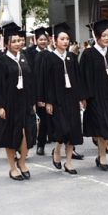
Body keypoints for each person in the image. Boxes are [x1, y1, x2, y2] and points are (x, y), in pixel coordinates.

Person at [0, 22, 36, 181]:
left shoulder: (25, 58)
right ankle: (13, 167)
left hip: (24, 103)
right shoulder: (1, 61)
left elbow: (31, 81)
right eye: (14, 41)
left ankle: (22, 162)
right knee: (11, 136)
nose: (18, 44)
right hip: (9, 104)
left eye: (20, 41)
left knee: (26, 134)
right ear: (7, 43)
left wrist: (32, 101)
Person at [80, 20, 108, 170]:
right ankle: (102, 157)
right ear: (96, 37)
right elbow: (82, 76)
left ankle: (100, 155)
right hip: (95, 96)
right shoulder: (88, 54)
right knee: (101, 124)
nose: (107, 38)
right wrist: (83, 96)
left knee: (106, 125)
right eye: (104, 35)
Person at [43, 22, 85, 175]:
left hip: (72, 98)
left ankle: (68, 162)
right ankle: (57, 150)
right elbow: (46, 81)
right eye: (62, 39)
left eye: (67, 39)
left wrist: (81, 97)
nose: (65, 42)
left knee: (73, 130)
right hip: (57, 99)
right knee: (62, 129)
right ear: (55, 40)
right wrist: (48, 101)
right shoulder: (49, 58)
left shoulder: (72, 58)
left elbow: (78, 79)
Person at [33, 27, 51, 156]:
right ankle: (40, 145)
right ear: (36, 40)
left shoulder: (51, 54)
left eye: (45, 39)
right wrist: (38, 97)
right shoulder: (30, 54)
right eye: (41, 39)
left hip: (52, 93)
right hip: (39, 93)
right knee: (43, 120)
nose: (43, 41)